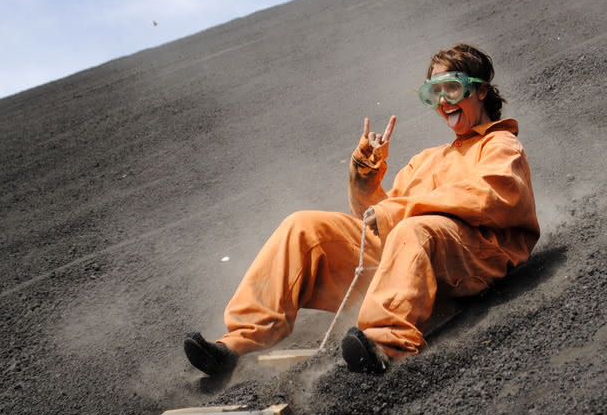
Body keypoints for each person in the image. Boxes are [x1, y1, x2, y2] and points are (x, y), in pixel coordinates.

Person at [184, 43, 540, 377]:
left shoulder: (501, 145)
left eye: (450, 88)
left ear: (479, 90)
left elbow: (487, 197)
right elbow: (377, 219)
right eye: (432, 94)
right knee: (303, 226)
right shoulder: (427, 160)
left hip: (473, 260)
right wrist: (365, 175)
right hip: (409, 263)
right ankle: (237, 342)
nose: (442, 102)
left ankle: (387, 344)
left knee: (410, 229)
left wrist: (397, 213)